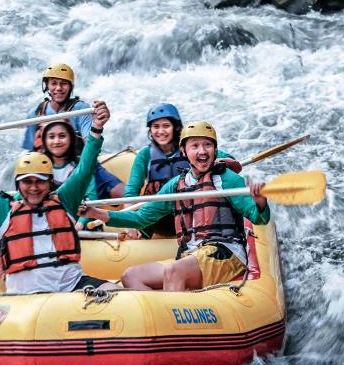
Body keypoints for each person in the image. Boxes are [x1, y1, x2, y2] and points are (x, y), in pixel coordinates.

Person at [0, 101, 120, 294]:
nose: (33, 188)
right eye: (26, 182)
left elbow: (84, 170)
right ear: (18, 185)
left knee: (118, 293)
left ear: (49, 183)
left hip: (73, 286)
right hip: (28, 299)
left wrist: (96, 128)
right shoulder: (2, 212)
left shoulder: (65, 201)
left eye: (39, 181)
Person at [80, 121, 269, 291]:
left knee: (174, 270)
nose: (202, 151)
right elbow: (141, 218)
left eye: (207, 145)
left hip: (225, 253)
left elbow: (259, 218)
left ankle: (171, 320)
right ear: (184, 152)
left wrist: (260, 203)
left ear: (215, 150)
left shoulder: (228, 179)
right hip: (190, 254)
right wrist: (97, 213)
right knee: (131, 276)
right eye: (195, 146)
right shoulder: (176, 185)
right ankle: (161, 320)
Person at [123, 103, 238, 237]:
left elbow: (227, 158)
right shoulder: (145, 154)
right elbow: (131, 192)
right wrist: (129, 222)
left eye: (166, 126)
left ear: (176, 127)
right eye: (155, 127)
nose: (160, 131)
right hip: (158, 217)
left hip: (192, 212)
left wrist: (218, 163)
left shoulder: (190, 147)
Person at [22, 62, 123, 199]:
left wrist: (98, 122)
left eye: (64, 83)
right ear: (47, 85)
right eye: (54, 83)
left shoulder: (81, 109)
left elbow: (90, 142)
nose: (58, 88)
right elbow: (30, 151)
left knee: (122, 193)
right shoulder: (35, 113)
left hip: (82, 166)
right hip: (48, 171)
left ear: (70, 87)